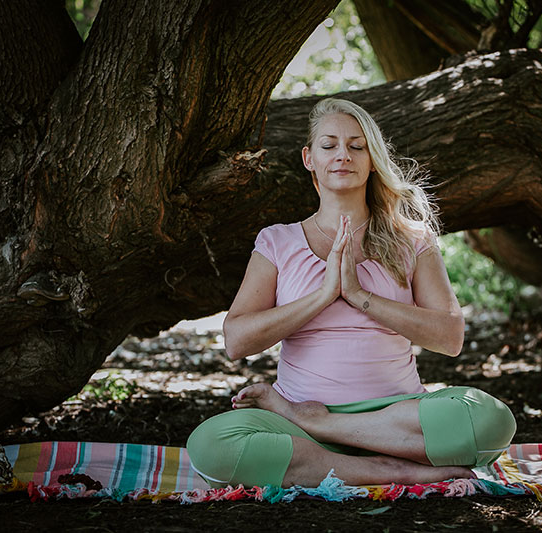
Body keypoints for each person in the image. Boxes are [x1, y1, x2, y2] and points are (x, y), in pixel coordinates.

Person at [187, 98, 516, 489]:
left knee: (491, 419)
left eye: (357, 146)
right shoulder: (278, 241)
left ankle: (327, 429)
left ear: (372, 159)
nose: (342, 155)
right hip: (311, 423)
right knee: (210, 444)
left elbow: (450, 336)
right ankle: (392, 470)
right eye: (329, 146)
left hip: (395, 421)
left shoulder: (412, 240)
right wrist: (323, 295)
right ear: (309, 158)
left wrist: (360, 295)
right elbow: (236, 340)